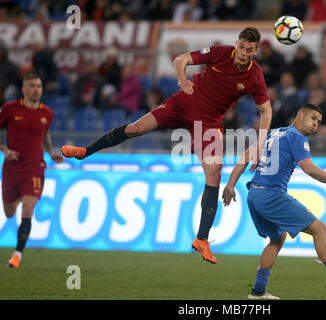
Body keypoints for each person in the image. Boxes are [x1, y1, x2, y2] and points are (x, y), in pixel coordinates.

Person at [61, 27, 272, 264]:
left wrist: (261, 142)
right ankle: (85, 152)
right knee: (135, 129)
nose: (243, 53)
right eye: (241, 47)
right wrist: (182, 78)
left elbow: (266, 110)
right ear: (237, 43)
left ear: (256, 51)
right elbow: (181, 59)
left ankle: (201, 239)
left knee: (214, 173)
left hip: (208, 122)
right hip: (182, 103)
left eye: (249, 50)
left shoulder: (255, 76)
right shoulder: (219, 53)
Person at [222, 104, 326, 299]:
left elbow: (245, 156)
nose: (316, 124)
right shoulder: (297, 137)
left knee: (277, 238)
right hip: (271, 195)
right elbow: (309, 168)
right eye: (313, 118)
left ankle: (258, 291)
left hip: (254, 195)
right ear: (300, 115)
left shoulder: (274, 133)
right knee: (319, 228)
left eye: (319, 121)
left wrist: (230, 185)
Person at [0, 74, 65, 269]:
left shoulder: (48, 113)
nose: (36, 89)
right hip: (12, 168)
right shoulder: (11, 109)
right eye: (32, 86)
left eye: (39, 86)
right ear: (24, 89)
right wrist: (4, 150)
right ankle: (19, 198)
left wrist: (51, 152)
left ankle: (17, 255)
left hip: (35, 168)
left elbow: (44, 133)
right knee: (10, 212)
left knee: (28, 208)